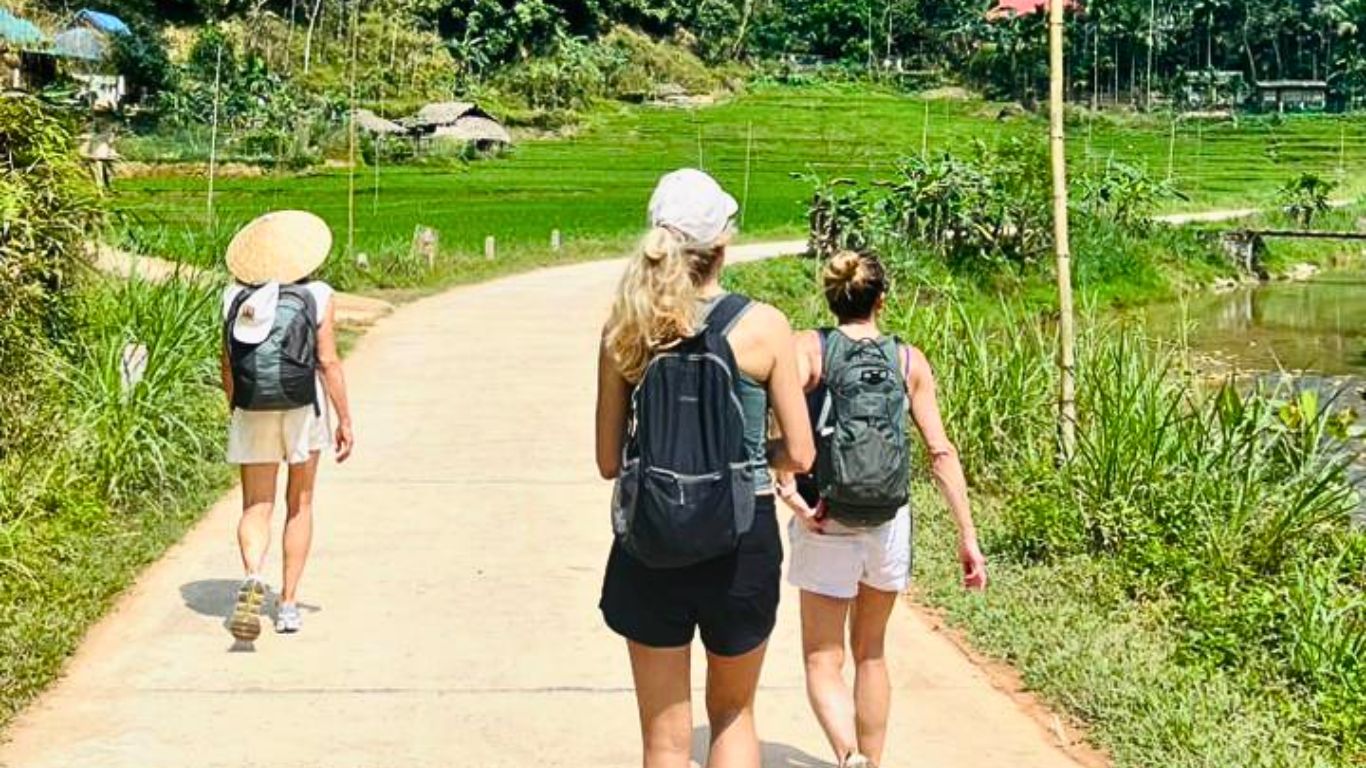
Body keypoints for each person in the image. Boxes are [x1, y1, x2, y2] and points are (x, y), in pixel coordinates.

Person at [596, 169, 815, 768]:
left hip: (650, 541)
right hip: (742, 538)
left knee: (664, 740)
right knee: (733, 715)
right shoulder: (765, 326)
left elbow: (609, 460)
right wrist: (746, 459)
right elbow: (800, 453)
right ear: (724, 245)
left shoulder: (626, 326)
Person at [775, 251, 986, 768]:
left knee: (823, 659)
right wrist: (967, 535)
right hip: (889, 521)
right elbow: (941, 452)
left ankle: (850, 757)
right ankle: (873, 759)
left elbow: (781, 428)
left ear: (830, 298)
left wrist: (792, 496)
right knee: (871, 652)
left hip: (826, 517)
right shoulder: (908, 360)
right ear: (882, 301)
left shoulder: (809, 349)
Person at [219, 210, 355, 641]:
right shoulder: (318, 293)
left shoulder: (232, 298)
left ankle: (253, 574)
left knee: (256, 505)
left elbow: (227, 366)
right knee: (300, 503)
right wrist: (345, 418)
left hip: (252, 406)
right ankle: (290, 604)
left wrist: (235, 406)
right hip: (303, 408)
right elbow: (328, 361)